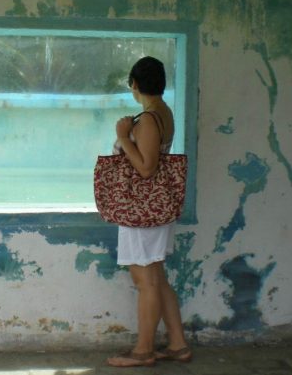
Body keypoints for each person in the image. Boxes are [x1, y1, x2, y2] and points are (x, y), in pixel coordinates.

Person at [106, 56, 192, 368]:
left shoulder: (148, 120)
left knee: (146, 281)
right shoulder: (163, 112)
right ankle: (178, 344)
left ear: (135, 84)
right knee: (156, 278)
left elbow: (145, 168)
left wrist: (122, 137)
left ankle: (143, 351)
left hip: (141, 211)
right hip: (154, 209)